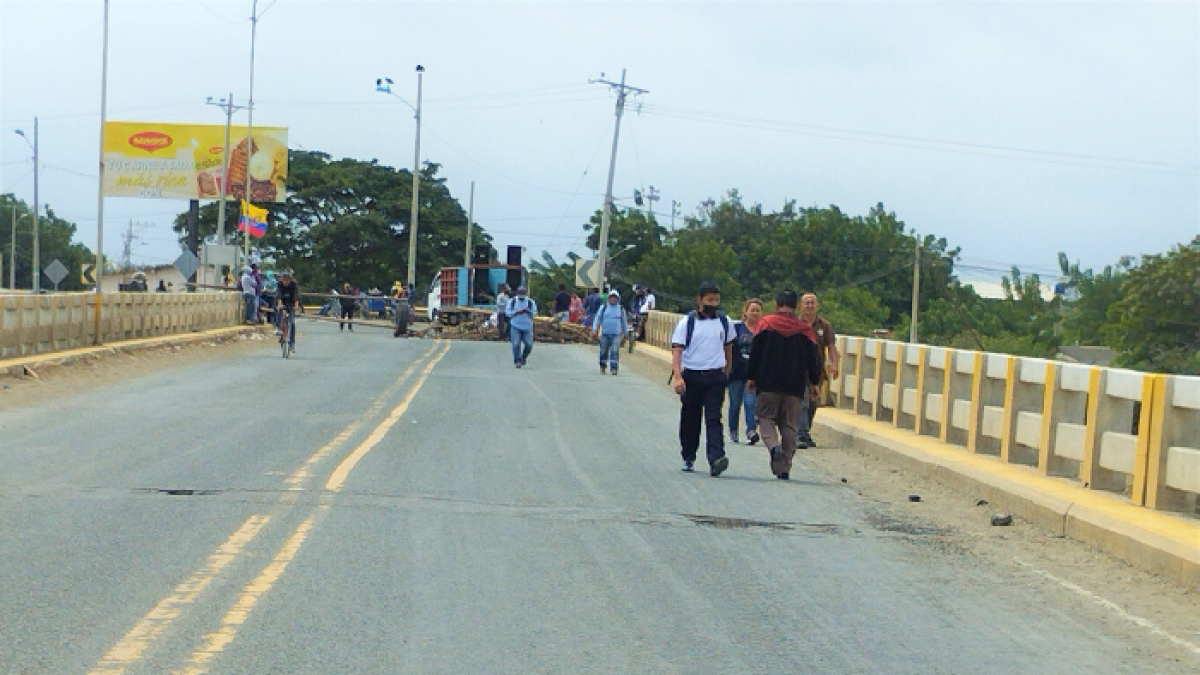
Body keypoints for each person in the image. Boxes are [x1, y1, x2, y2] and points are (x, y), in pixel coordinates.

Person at [746, 289, 821, 480]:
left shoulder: (765, 324)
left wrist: (751, 376)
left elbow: (755, 353)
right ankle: (785, 465)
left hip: (768, 383)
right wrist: (814, 382)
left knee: (765, 419)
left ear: (777, 304)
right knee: (790, 425)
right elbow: (814, 358)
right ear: (796, 306)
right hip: (794, 386)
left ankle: (773, 447)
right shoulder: (804, 329)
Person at [670, 281, 736, 476]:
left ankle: (716, 458)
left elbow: (728, 349)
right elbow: (677, 350)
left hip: (715, 376)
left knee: (714, 418)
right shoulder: (687, 322)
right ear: (699, 300)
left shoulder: (725, 322)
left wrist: (726, 372)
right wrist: (678, 376)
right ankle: (688, 456)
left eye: (716, 300)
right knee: (691, 418)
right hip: (692, 375)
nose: (713, 303)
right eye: (709, 299)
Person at [799, 292, 840, 446]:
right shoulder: (796, 323)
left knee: (812, 403)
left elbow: (831, 346)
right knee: (801, 401)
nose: (809, 306)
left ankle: (805, 430)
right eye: (806, 303)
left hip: (817, 371)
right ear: (800, 306)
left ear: (817, 305)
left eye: (812, 303)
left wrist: (834, 364)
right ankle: (801, 433)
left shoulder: (824, 325)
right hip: (798, 370)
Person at [727, 298, 764, 445]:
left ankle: (751, 431)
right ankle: (733, 430)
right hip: (736, 373)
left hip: (753, 375)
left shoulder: (763, 330)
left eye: (757, 310)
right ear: (746, 311)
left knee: (751, 403)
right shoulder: (736, 329)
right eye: (752, 310)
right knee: (735, 404)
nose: (754, 313)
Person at [592, 289, 628, 375]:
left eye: (614, 298)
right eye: (611, 298)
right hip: (605, 333)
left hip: (616, 334)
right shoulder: (604, 307)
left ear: (617, 299)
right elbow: (597, 318)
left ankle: (614, 368)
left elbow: (624, 321)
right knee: (603, 350)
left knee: (614, 351)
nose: (613, 300)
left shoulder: (620, 309)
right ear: (608, 298)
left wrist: (625, 332)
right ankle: (602, 366)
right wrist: (594, 329)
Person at [505, 286, 537, 368]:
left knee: (529, 344)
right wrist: (516, 312)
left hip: (527, 326)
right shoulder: (512, 301)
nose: (521, 298)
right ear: (517, 294)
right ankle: (517, 360)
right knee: (515, 344)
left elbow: (535, 313)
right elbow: (507, 313)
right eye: (520, 295)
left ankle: (523, 357)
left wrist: (528, 311)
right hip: (515, 325)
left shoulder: (530, 302)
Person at [275, 270, 300, 353]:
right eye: (284, 279)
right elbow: (278, 294)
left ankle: (292, 343)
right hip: (283, 301)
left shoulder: (294, 284)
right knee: (279, 311)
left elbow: (296, 295)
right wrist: (279, 303)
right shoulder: (279, 284)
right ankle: (278, 328)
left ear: (290, 279)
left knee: (292, 323)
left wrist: (296, 306)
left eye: (287, 280)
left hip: (291, 302)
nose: (285, 281)